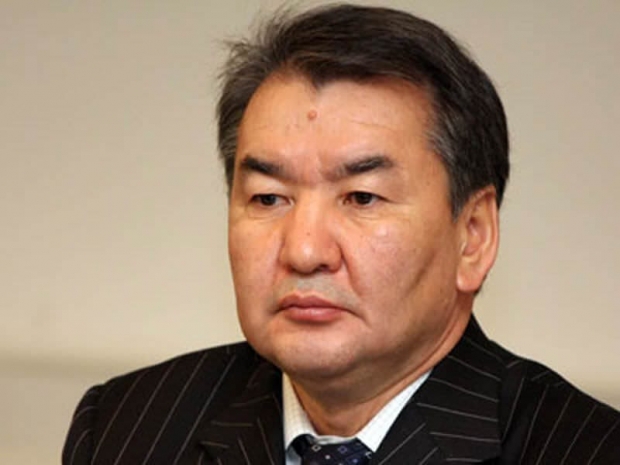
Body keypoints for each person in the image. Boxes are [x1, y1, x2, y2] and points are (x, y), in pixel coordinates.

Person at [62, 4, 619, 464]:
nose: (304, 251)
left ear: (472, 236)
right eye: (268, 198)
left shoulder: (586, 450)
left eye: (361, 198)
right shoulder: (123, 428)